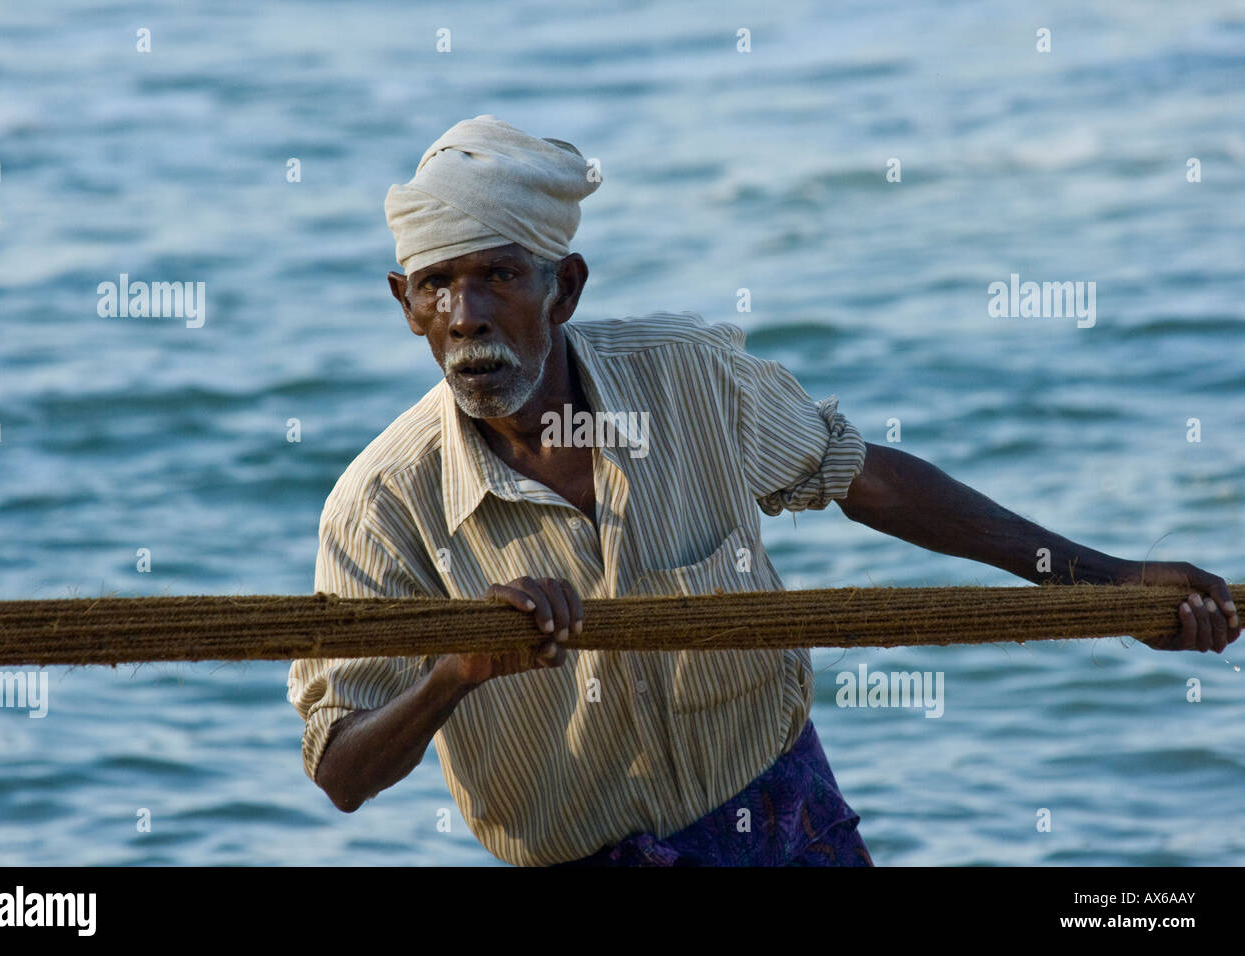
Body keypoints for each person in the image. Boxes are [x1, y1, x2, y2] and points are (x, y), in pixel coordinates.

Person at [287, 115, 1240, 867]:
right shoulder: (378, 509)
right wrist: (457, 668)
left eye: (499, 276)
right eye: (437, 286)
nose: (466, 316)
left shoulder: (689, 377)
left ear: (565, 287)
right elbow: (341, 772)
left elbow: (868, 480)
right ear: (404, 303)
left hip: (787, 826)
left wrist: (1110, 585)